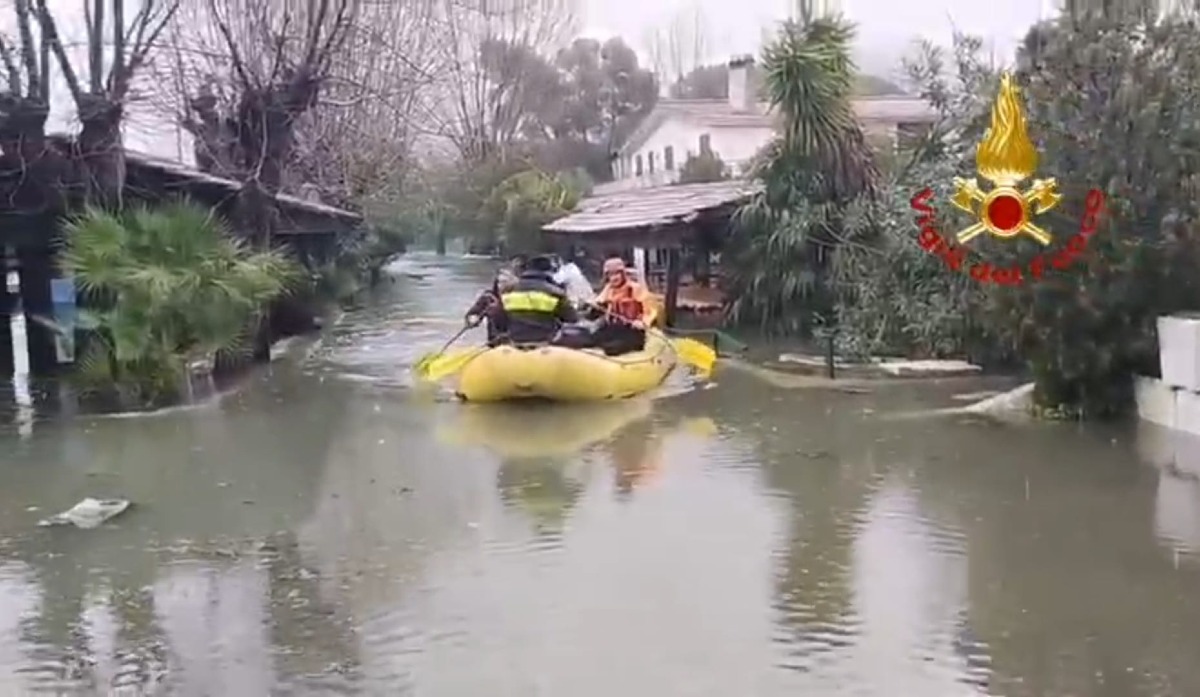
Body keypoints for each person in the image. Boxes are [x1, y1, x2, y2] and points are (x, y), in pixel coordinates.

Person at [500, 254, 578, 344]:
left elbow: (500, 321)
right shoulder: (555, 293)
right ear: (550, 272)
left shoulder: (509, 290)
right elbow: (572, 319)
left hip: (515, 341)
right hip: (545, 342)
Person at [589, 257, 656, 355]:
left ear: (623, 274)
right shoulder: (609, 288)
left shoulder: (634, 288)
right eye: (610, 274)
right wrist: (593, 306)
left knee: (611, 348)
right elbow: (599, 302)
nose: (614, 278)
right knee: (592, 339)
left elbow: (650, 310)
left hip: (632, 330)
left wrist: (643, 322)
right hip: (615, 328)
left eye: (617, 273)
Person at [465, 269, 517, 346]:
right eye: (500, 282)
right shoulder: (488, 297)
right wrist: (473, 319)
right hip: (494, 341)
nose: (502, 285)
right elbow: (473, 313)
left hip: (515, 342)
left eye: (505, 282)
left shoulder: (519, 298)